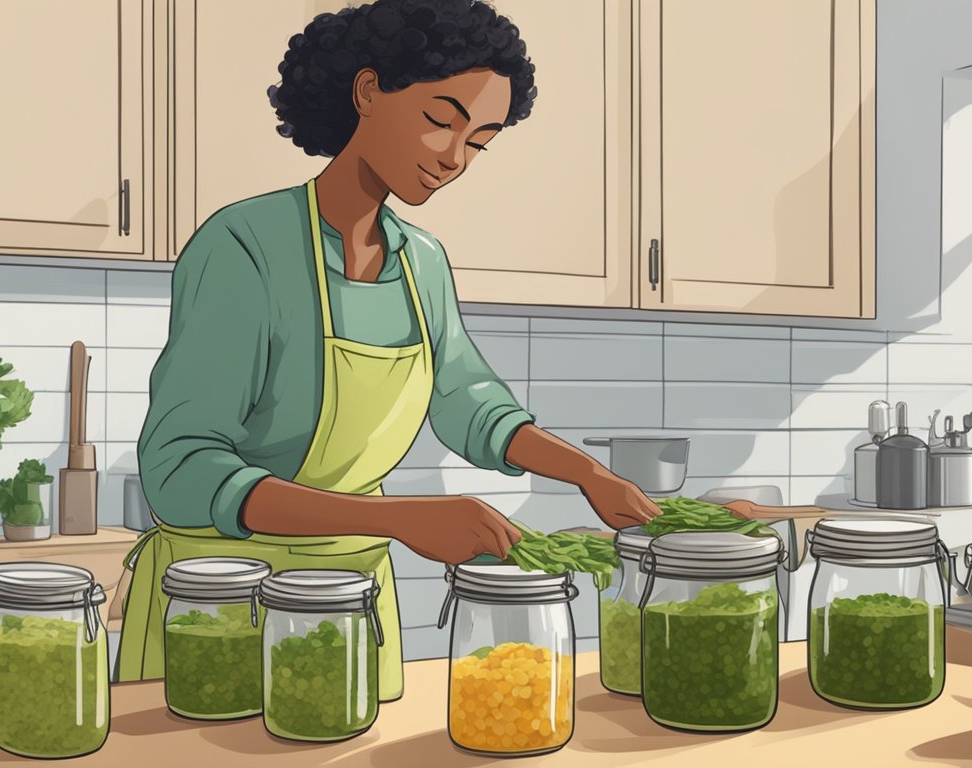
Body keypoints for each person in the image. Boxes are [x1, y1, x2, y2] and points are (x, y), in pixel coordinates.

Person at [118, 0, 660, 700]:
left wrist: (588, 474)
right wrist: (396, 518)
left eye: (481, 141)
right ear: (368, 91)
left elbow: (469, 403)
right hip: (221, 607)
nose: (456, 159)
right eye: (441, 121)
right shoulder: (245, 245)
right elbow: (180, 470)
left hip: (349, 601)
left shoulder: (420, 262)